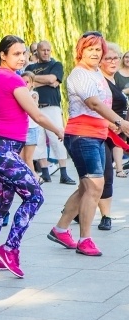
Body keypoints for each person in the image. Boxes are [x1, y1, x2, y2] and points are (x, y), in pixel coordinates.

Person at [0, 36, 64, 278]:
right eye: (16, 54)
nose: (23, 58)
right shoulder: (13, 80)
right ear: (2, 56)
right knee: (35, 196)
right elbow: (37, 115)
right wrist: (58, 130)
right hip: (3, 152)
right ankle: (10, 248)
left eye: (24, 53)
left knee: (0, 205)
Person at [48, 32, 129, 257]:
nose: (94, 53)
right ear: (80, 51)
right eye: (90, 48)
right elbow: (93, 103)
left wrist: (112, 127)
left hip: (97, 134)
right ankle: (85, 239)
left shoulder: (96, 73)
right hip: (82, 136)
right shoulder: (80, 74)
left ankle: (60, 229)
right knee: (94, 186)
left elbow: (102, 105)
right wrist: (120, 122)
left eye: (97, 49)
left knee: (87, 186)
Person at [24, 41, 76, 185]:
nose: (46, 52)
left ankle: (64, 173)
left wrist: (35, 80)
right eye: (43, 50)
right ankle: (45, 173)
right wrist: (44, 81)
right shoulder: (30, 67)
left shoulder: (56, 65)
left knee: (56, 138)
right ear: (37, 52)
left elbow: (53, 80)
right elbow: (26, 83)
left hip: (51, 106)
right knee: (38, 140)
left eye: (48, 50)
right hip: (34, 108)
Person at [95, 42, 128, 231]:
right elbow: (95, 108)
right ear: (100, 62)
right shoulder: (100, 82)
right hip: (100, 132)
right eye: (108, 58)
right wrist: (113, 124)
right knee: (104, 174)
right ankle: (106, 216)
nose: (113, 61)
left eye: (116, 57)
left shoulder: (115, 80)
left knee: (93, 179)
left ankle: (74, 210)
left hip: (114, 133)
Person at [20, 71, 41, 181]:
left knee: (28, 158)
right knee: (20, 158)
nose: (25, 84)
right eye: (22, 82)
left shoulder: (33, 94)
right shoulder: (18, 94)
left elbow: (34, 105)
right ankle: (26, 180)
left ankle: (35, 179)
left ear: (32, 83)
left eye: (27, 82)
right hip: (21, 129)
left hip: (31, 129)